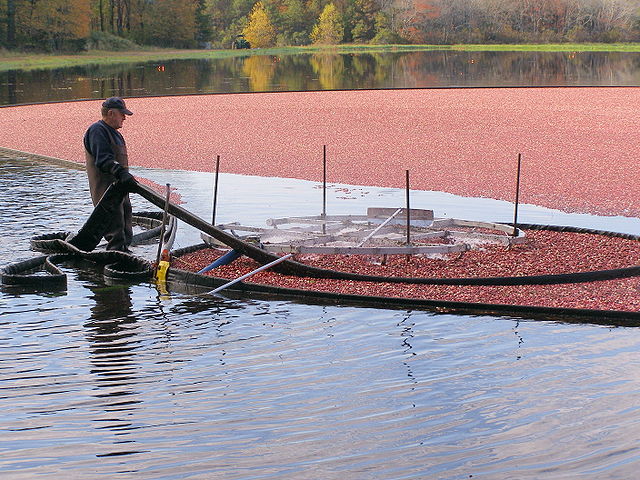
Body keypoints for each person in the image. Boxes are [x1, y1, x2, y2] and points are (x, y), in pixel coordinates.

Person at [83, 97, 136, 252]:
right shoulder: (97, 131)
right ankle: (115, 261)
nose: (124, 117)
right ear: (111, 113)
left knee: (126, 229)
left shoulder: (116, 134)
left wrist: (126, 178)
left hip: (120, 189)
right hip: (106, 191)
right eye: (122, 114)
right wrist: (121, 173)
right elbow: (104, 160)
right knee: (115, 231)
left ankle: (125, 255)